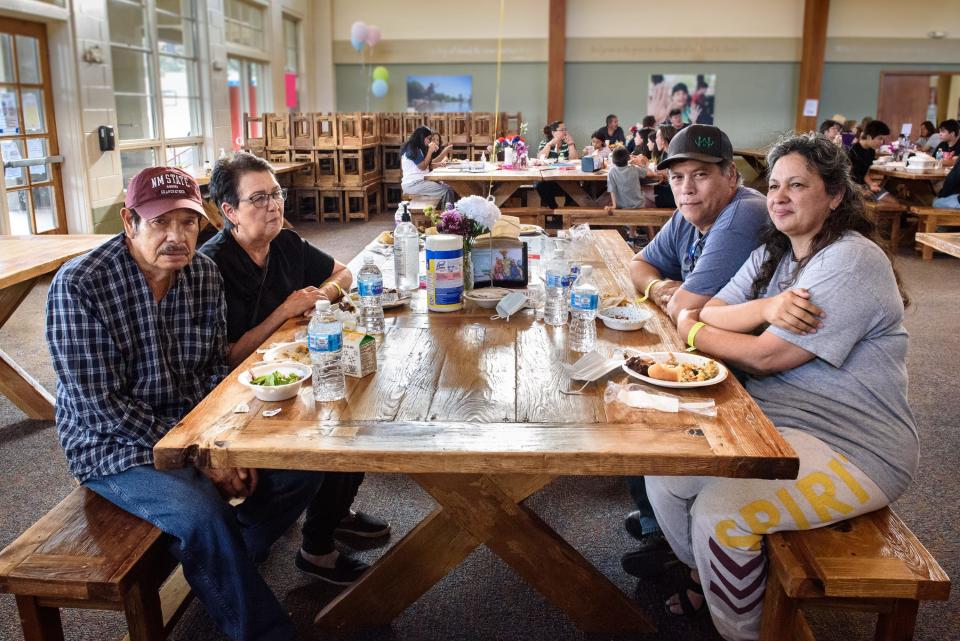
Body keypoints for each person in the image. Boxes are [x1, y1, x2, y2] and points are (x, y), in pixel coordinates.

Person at [645, 133, 916, 641]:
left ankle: (748, 631)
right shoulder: (776, 253)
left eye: (797, 184)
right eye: (773, 186)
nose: (779, 197)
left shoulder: (851, 260)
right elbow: (699, 313)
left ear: (835, 195)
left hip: (856, 447)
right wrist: (765, 308)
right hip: (774, 427)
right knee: (664, 473)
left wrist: (699, 329)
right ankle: (712, 583)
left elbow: (767, 357)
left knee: (719, 516)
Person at [46, 166, 325, 641]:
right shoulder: (80, 286)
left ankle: (229, 559)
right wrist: (202, 457)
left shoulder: (202, 274)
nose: (177, 236)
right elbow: (102, 407)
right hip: (113, 446)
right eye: (161, 222)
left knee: (305, 465)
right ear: (129, 221)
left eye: (189, 222)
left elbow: (212, 369)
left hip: (191, 423)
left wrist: (222, 442)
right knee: (201, 515)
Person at [199, 152, 390, 584]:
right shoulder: (210, 267)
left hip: (294, 376)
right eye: (259, 198)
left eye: (277, 194)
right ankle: (306, 550)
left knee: (353, 410)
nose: (274, 205)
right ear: (229, 212)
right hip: (241, 394)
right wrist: (284, 312)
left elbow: (344, 274)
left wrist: (321, 297)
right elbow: (223, 359)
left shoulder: (284, 242)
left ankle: (330, 514)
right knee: (327, 443)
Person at [622, 125, 768, 577]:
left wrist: (675, 298)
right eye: (677, 176)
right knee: (630, 384)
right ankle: (658, 527)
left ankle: (680, 551)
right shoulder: (689, 214)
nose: (686, 188)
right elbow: (638, 265)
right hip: (706, 350)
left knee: (638, 404)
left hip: (752, 374)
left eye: (700, 175)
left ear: (730, 177)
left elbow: (688, 309)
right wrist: (665, 287)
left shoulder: (741, 214)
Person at [400, 125, 455, 209]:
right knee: (446, 191)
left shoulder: (418, 148)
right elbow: (422, 167)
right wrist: (430, 151)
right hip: (413, 184)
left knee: (448, 187)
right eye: (428, 138)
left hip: (418, 183)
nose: (429, 141)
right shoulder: (412, 149)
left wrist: (437, 164)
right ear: (422, 137)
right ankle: (448, 218)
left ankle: (446, 215)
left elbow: (425, 165)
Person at [848, 120, 898, 203]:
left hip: (864, 187)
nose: (882, 142)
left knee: (894, 202)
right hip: (851, 190)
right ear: (868, 137)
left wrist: (871, 184)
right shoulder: (852, 150)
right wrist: (860, 191)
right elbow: (845, 178)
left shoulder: (871, 151)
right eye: (880, 139)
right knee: (884, 205)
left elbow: (865, 174)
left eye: (883, 139)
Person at [536, 120, 579, 209]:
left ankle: (567, 209)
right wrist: (549, 145)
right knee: (539, 185)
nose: (565, 132)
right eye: (562, 130)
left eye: (565, 129)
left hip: (567, 178)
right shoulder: (545, 142)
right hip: (550, 179)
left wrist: (571, 144)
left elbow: (575, 160)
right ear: (553, 132)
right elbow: (540, 157)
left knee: (576, 184)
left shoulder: (567, 143)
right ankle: (554, 208)